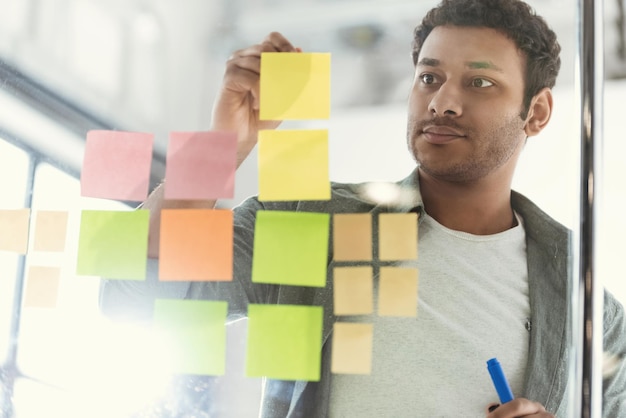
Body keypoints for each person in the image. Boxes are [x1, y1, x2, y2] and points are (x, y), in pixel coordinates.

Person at [100, 0, 626, 416]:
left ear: (536, 112)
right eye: (429, 76)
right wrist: (221, 146)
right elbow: (133, 294)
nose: (443, 101)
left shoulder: (590, 312)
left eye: (480, 82)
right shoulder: (311, 226)